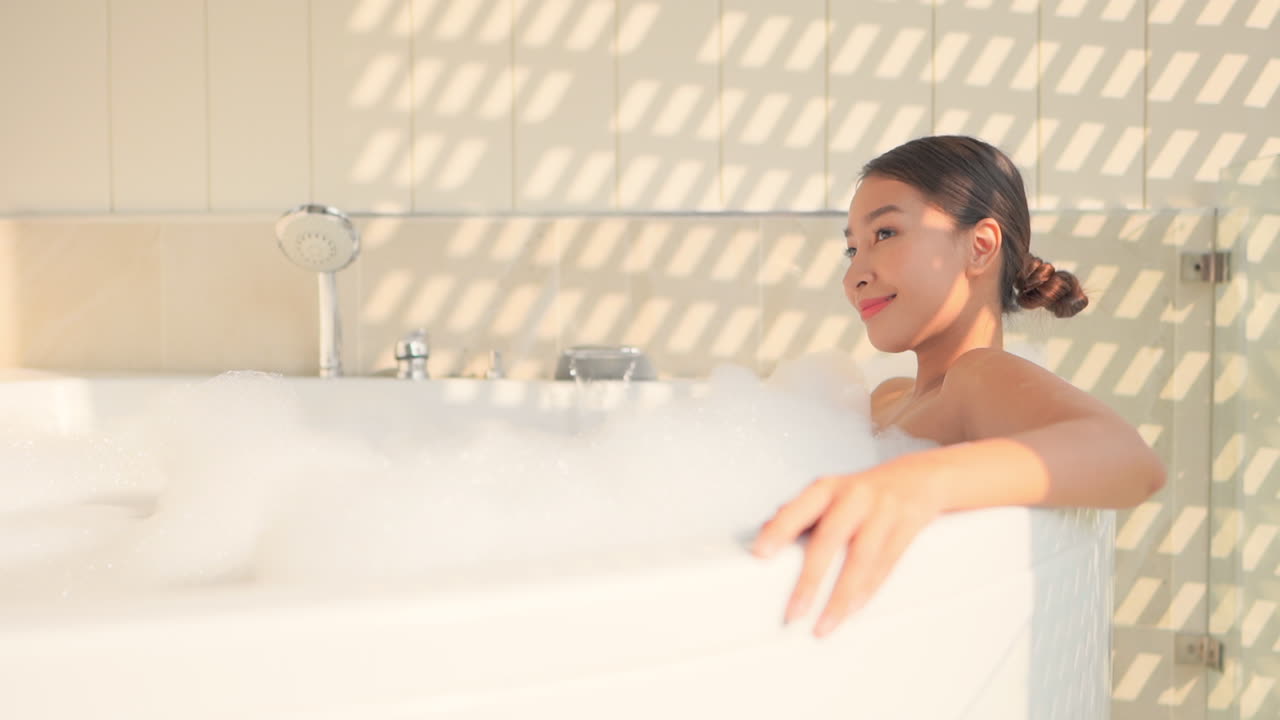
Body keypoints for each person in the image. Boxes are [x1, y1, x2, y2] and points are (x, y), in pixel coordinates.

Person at [750, 135, 1166, 638]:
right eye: (852, 248)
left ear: (980, 246)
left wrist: (918, 482)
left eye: (885, 233)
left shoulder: (979, 376)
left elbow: (1130, 461)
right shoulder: (887, 397)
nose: (855, 274)